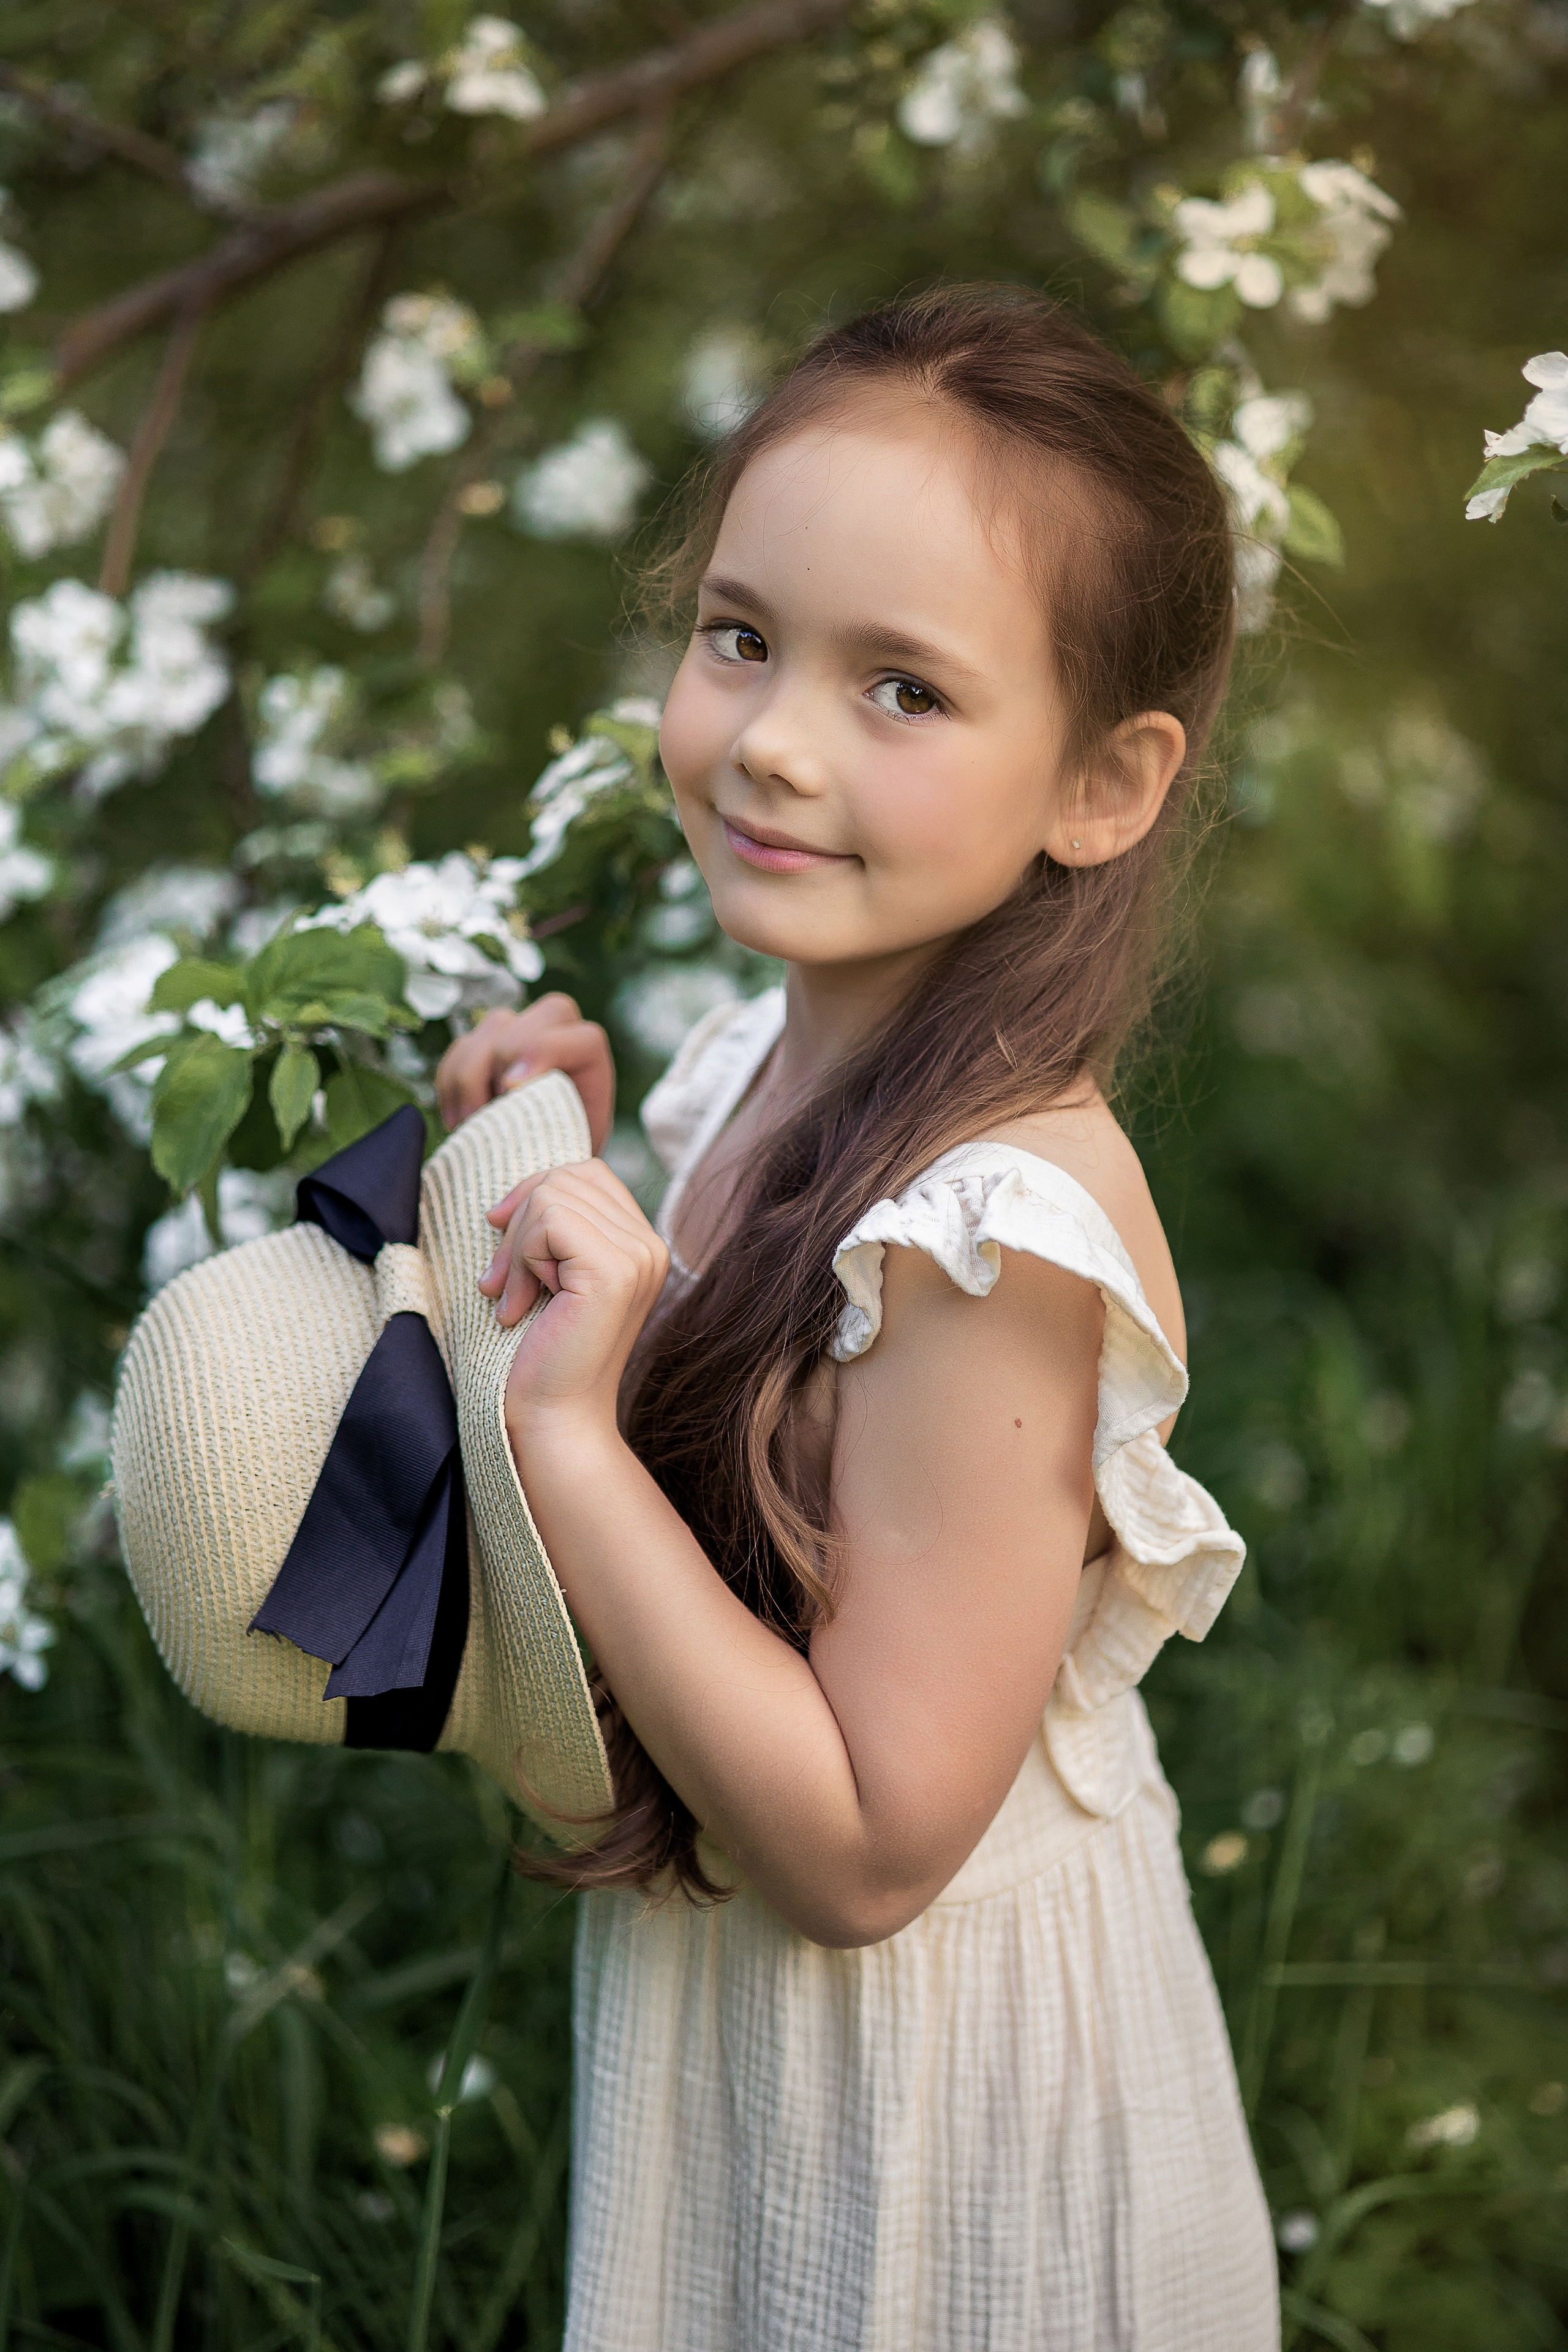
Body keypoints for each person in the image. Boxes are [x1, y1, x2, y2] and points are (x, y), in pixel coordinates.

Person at [436, 285, 1280, 2350]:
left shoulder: (993, 1242)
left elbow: (872, 1850)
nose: (778, 739)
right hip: (752, 2062)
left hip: (935, 2118)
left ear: (1101, 782)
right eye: (742, 637)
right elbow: (703, 1571)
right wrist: (544, 1184)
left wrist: (565, 1428)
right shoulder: (758, 1071)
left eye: (903, 689)